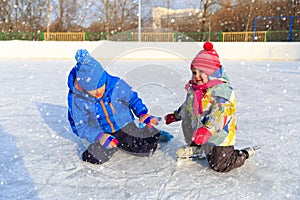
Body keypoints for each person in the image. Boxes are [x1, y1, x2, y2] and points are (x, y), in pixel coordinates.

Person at [164, 42, 256, 172]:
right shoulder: (194, 89)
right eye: (194, 72)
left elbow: (221, 115)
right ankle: (197, 147)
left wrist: (208, 130)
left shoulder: (222, 91)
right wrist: (175, 115)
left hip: (219, 134)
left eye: (201, 72)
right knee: (187, 121)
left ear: (212, 73)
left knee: (219, 165)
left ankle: (243, 154)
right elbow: (187, 107)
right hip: (200, 130)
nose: (196, 76)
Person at [67, 49, 171, 164]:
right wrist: (98, 136)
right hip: (103, 132)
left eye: (100, 87)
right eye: (93, 90)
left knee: (145, 149)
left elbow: (132, 98)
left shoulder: (115, 84)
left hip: (124, 124)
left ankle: (152, 132)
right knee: (92, 158)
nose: (98, 92)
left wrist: (142, 113)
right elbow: (80, 126)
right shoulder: (77, 99)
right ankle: (113, 142)